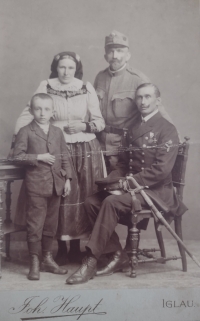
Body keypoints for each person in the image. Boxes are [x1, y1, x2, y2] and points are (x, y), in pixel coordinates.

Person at [66, 83, 188, 285]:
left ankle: (90, 260)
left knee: (110, 203)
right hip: (134, 188)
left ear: (158, 101)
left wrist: (124, 185)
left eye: (148, 97)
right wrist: (112, 182)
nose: (143, 102)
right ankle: (116, 254)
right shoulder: (133, 128)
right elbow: (123, 163)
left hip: (157, 192)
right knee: (92, 201)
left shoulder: (167, 129)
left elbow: (161, 170)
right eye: (139, 97)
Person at [11, 51, 105, 264]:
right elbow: (28, 114)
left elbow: (99, 121)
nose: (66, 72)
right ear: (56, 68)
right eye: (62, 67)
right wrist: (19, 138)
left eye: (71, 68)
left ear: (77, 70)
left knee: (82, 198)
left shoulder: (85, 87)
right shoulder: (46, 85)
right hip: (54, 147)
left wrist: (84, 125)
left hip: (85, 150)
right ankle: (60, 248)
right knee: (59, 199)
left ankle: (77, 248)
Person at [94, 30, 173, 173]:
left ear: (128, 55)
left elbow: (157, 109)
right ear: (105, 56)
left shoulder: (138, 79)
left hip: (125, 145)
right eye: (111, 51)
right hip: (100, 144)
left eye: (119, 51)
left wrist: (173, 137)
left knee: (119, 187)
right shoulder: (100, 77)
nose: (115, 56)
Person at [13, 93, 72, 280]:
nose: (42, 113)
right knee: (35, 225)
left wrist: (68, 179)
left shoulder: (57, 132)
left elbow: (65, 156)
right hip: (36, 186)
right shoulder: (25, 131)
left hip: (57, 185)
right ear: (31, 110)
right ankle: (35, 262)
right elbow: (17, 156)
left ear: (53, 111)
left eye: (46, 109)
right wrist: (38, 157)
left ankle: (47, 259)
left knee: (50, 225)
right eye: (37, 109)